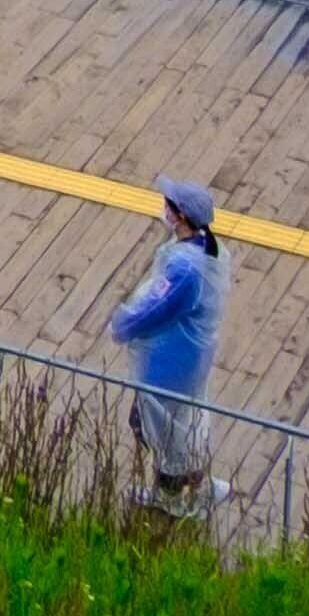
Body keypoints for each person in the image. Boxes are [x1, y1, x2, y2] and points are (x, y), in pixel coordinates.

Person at [109, 182, 229, 518]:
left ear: (180, 216)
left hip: (171, 360)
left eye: (168, 206)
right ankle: (193, 485)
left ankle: (174, 496)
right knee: (186, 421)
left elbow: (156, 309)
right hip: (192, 358)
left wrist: (122, 325)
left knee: (157, 426)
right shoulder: (210, 250)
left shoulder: (185, 270)